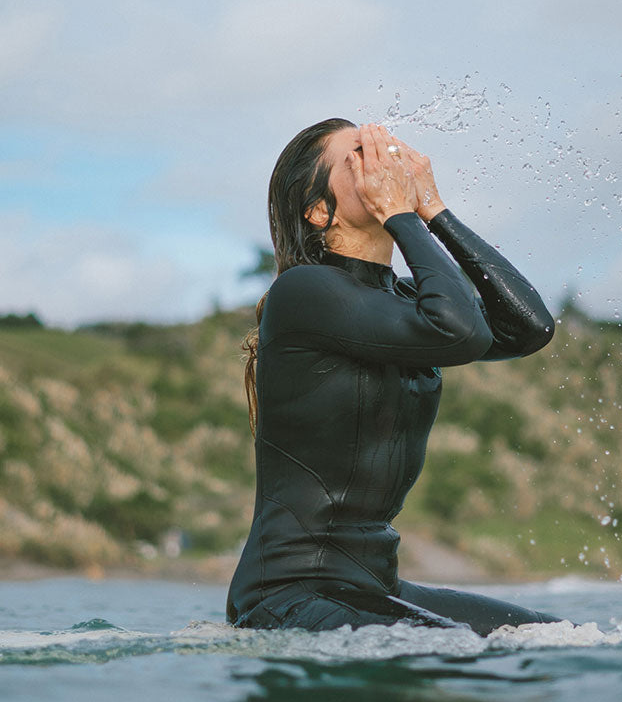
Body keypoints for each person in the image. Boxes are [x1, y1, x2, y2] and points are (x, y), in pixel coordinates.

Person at [226, 118, 563, 635]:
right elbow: (459, 332)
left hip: (373, 587)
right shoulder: (304, 294)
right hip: (288, 595)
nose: (383, 160)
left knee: (547, 636)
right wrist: (404, 216)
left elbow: (528, 329)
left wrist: (434, 208)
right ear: (320, 210)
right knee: (451, 650)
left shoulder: (402, 301)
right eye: (358, 155)